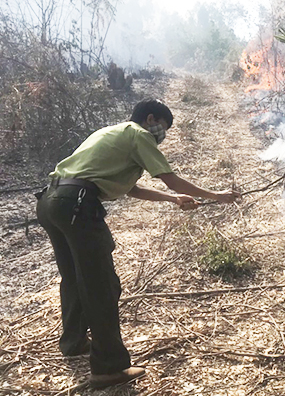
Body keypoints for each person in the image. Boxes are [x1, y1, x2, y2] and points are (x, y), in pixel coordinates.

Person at [35, 98, 239, 389]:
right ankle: (108, 369)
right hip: (77, 206)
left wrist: (173, 200)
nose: (162, 135)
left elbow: (131, 188)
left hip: (50, 203)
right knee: (101, 284)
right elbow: (171, 179)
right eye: (163, 128)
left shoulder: (111, 134)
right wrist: (216, 196)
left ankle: (73, 341)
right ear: (151, 118)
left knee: (74, 277)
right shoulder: (140, 134)